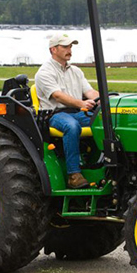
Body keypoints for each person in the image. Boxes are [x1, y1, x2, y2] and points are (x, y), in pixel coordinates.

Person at [34, 33, 100, 189]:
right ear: (53, 49)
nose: (69, 50)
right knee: (71, 126)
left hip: (77, 112)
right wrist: (82, 104)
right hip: (55, 114)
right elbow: (58, 96)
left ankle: (98, 163)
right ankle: (74, 175)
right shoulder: (44, 73)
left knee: (103, 121)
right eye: (65, 47)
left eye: (70, 46)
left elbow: (90, 92)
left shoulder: (76, 71)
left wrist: (104, 100)